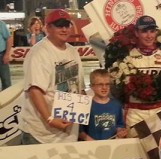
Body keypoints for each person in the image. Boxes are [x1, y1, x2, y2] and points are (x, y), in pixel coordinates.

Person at [21, 9, 85, 144]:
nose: (64, 29)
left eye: (67, 25)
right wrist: (49, 118)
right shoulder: (39, 52)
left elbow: (80, 87)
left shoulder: (73, 52)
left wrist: (81, 113)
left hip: (68, 133)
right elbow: (35, 90)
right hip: (41, 134)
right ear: (48, 28)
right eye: (59, 25)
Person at [125, 15, 161, 137]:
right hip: (135, 112)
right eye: (144, 31)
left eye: (152, 31)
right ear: (136, 33)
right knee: (135, 153)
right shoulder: (127, 56)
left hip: (159, 110)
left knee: (160, 152)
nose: (149, 36)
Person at [79, 69, 127, 140]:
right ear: (92, 86)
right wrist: (93, 142)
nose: (104, 87)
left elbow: (119, 125)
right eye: (100, 84)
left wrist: (120, 131)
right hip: (92, 146)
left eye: (107, 84)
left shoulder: (116, 105)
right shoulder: (86, 106)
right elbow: (80, 131)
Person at [0, 20, 12, 91]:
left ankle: (7, 101)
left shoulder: (1, 24)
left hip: (1, 56)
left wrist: (7, 54)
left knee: (6, 82)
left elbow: (9, 38)